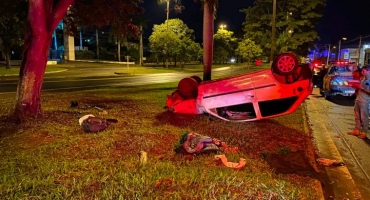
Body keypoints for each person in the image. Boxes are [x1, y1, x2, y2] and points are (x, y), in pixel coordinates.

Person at [348, 66, 370, 139]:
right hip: (358, 99)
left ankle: (364, 132)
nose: (362, 72)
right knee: (357, 116)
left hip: (365, 101)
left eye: (363, 71)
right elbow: (360, 88)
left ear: (368, 71)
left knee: (364, 117)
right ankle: (356, 130)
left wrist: (362, 88)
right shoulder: (363, 78)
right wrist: (355, 87)